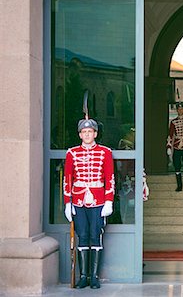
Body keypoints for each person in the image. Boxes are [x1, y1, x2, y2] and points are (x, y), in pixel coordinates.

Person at [63, 117, 115, 289]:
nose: (87, 134)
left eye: (90, 132)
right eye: (84, 132)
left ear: (95, 133)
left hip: (99, 200)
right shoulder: (72, 153)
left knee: (96, 235)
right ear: (80, 135)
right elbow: (67, 179)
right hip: (78, 200)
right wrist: (67, 203)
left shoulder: (105, 152)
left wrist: (109, 201)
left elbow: (110, 178)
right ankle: (83, 276)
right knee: (82, 236)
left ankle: (94, 276)